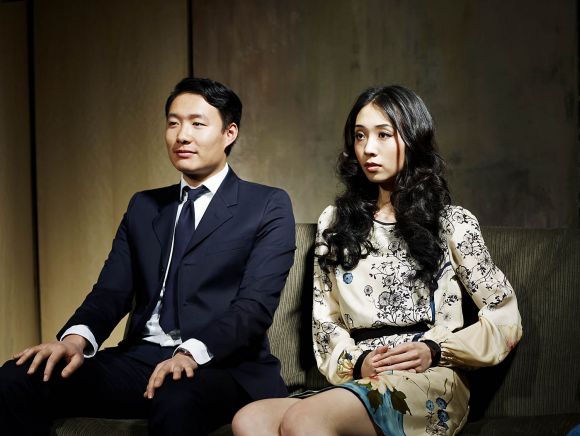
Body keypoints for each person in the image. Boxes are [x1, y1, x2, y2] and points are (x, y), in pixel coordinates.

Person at [0, 77, 296, 435]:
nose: (182, 136)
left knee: (176, 396)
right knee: (17, 378)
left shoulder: (266, 204)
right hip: (140, 360)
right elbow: (110, 292)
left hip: (222, 366)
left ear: (229, 133)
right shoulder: (144, 206)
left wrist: (189, 353)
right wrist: (74, 340)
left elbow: (253, 308)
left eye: (197, 124)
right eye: (173, 123)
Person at [232, 85, 522, 436]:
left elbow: (504, 316)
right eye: (360, 136)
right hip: (362, 376)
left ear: (413, 139)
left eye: (384, 134)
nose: (368, 148)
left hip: (428, 378)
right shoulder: (334, 223)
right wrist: (358, 363)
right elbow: (326, 322)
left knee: (303, 420)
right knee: (250, 419)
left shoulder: (451, 222)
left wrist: (436, 350)